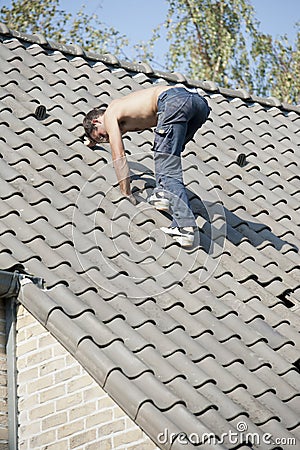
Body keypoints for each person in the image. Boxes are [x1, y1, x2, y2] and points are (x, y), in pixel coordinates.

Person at [83, 85, 210, 247]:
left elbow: (119, 155)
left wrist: (126, 192)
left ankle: (185, 227)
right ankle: (163, 193)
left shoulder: (110, 113)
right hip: (198, 104)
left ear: (96, 121)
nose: (107, 139)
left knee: (166, 165)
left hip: (173, 101)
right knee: (168, 158)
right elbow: (100, 135)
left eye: (103, 135)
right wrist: (92, 141)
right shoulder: (123, 112)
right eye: (103, 140)